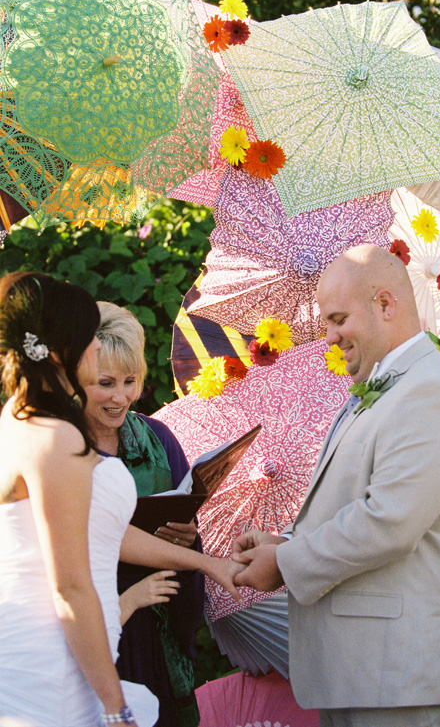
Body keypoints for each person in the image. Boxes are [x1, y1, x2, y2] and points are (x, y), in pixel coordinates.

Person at [232, 244, 440, 727]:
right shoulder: (387, 386)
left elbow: (389, 522)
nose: (329, 336)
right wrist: (286, 541)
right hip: (369, 673)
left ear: (386, 304)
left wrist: (284, 563)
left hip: (401, 678)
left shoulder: (427, 390)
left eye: (338, 318)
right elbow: (357, 504)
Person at [0, 272, 243, 727]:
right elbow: (70, 588)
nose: (95, 347)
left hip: (46, 645)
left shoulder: (17, 419)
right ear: (61, 351)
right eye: (87, 338)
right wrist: (115, 708)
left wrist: (208, 563)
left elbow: (103, 531)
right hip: (56, 661)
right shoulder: (54, 440)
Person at [85, 301, 204, 727]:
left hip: (159, 626)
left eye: (130, 381)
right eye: (105, 383)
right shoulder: (64, 448)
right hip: (96, 622)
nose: (121, 397)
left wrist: (188, 537)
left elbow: (187, 513)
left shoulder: (158, 438)